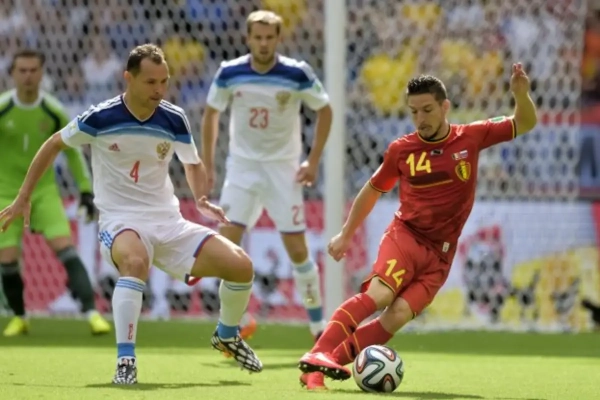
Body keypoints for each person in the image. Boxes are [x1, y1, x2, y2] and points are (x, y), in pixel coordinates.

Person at [0, 44, 262, 385]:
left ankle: (226, 335)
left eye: (164, 81)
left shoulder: (174, 118)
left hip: (168, 222)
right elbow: (53, 145)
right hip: (120, 221)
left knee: (242, 266)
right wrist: (23, 196)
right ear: (129, 78)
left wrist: (200, 198)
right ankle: (126, 361)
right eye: (151, 82)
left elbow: (192, 162)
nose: (159, 89)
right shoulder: (100, 117)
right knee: (135, 262)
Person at [297, 65, 538, 390]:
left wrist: (521, 95)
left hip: (440, 256)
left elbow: (525, 122)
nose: (420, 118)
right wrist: (346, 233)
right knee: (380, 294)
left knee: (396, 316)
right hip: (406, 237)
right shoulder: (402, 150)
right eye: (413, 112)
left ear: (444, 106)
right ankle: (318, 352)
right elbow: (372, 190)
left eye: (427, 110)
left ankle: (318, 369)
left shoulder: (471, 136)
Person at [199, 10, 333, 341]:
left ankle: (318, 327)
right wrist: (208, 164)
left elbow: (325, 110)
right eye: (257, 37)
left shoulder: (296, 73)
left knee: (298, 251)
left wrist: (313, 160)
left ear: (278, 39)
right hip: (242, 168)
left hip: (283, 170)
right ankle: (234, 324)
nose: (263, 43)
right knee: (225, 245)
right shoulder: (230, 72)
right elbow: (211, 114)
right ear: (248, 38)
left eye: (269, 37)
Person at [0, 49, 110, 337]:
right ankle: (20, 317)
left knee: (65, 247)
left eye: (33, 70)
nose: (28, 76)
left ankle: (92, 314)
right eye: (22, 70)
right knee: (7, 257)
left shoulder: (53, 110)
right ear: (12, 74)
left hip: (44, 192)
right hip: (6, 193)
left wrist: (85, 190)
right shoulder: (2, 108)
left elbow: (72, 152)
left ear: (42, 73)